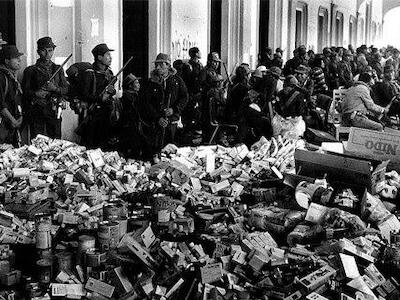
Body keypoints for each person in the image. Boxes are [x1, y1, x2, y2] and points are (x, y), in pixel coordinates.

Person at [141, 53, 188, 157]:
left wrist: (174, 109)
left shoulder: (177, 80)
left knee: (171, 149)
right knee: (156, 150)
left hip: (172, 121)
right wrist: (157, 117)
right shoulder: (151, 83)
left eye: (161, 65)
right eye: (156, 65)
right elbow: (146, 103)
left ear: (168, 66)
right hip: (156, 123)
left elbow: (184, 97)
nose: (158, 68)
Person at [22, 37, 69, 139]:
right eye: (44, 50)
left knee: (55, 141)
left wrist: (55, 89)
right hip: (37, 110)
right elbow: (24, 92)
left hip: (54, 109)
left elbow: (66, 90)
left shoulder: (58, 69)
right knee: (37, 141)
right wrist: (35, 94)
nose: (48, 54)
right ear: (38, 52)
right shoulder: (30, 70)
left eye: (50, 50)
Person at [77, 43, 115, 148]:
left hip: (106, 113)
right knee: (90, 144)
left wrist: (112, 91)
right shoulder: (89, 73)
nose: (110, 57)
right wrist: (100, 98)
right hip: (91, 114)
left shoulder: (109, 73)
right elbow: (84, 95)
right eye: (107, 55)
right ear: (99, 57)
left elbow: (111, 91)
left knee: (104, 143)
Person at [0, 45, 24, 145]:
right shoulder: (1, 77)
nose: (19, 60)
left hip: (11, 125)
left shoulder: (12, 77)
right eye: (15, 58)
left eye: (19, 57)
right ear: (7, 61)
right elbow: (0, 103)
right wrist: (12, 120)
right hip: (3, 125)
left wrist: (19, 116)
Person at [118, 74, 142, 158]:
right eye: (136, 83)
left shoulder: (136, 95)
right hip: (129, 124)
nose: (139, 85)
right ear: (130, 85)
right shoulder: (127, 96)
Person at [181, 47, 203, 131]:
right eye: (199, 52)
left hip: (198, 93)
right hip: (191, 93)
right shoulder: (188, 66)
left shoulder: (200, 65)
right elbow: (188, 81)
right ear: (196, 54)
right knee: (189, 114)